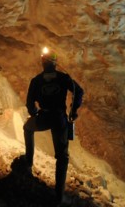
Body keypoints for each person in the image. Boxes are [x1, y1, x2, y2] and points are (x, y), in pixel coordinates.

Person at [23, 48, 84, 206]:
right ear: (56, 63)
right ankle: (58, 196)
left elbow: (30, 102)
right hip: (59, 119)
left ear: (42, 63)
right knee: (62, 157)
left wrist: (34, 113)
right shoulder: (63, 78)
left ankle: (28, 163)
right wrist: (73, 110)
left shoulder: (36, 80)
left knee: (28, 128)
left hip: (44, 117)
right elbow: (79, 91)